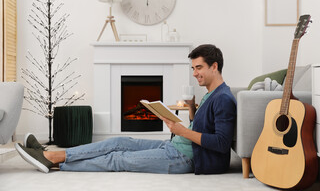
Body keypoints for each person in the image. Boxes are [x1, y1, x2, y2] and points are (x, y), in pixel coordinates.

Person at [15, 44, 237, 174]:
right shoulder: (211, 93)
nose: (195, 73)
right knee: (119, 142)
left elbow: (220, 143)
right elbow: (204, 126)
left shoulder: (224, 98)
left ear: (214, 66)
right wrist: (190, 111)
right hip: (172, 146)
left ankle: (54, 160)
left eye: (198, 68)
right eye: (193, 68)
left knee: (118, 159)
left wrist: (182, 131)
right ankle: (52, 153)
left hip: (186, 159)